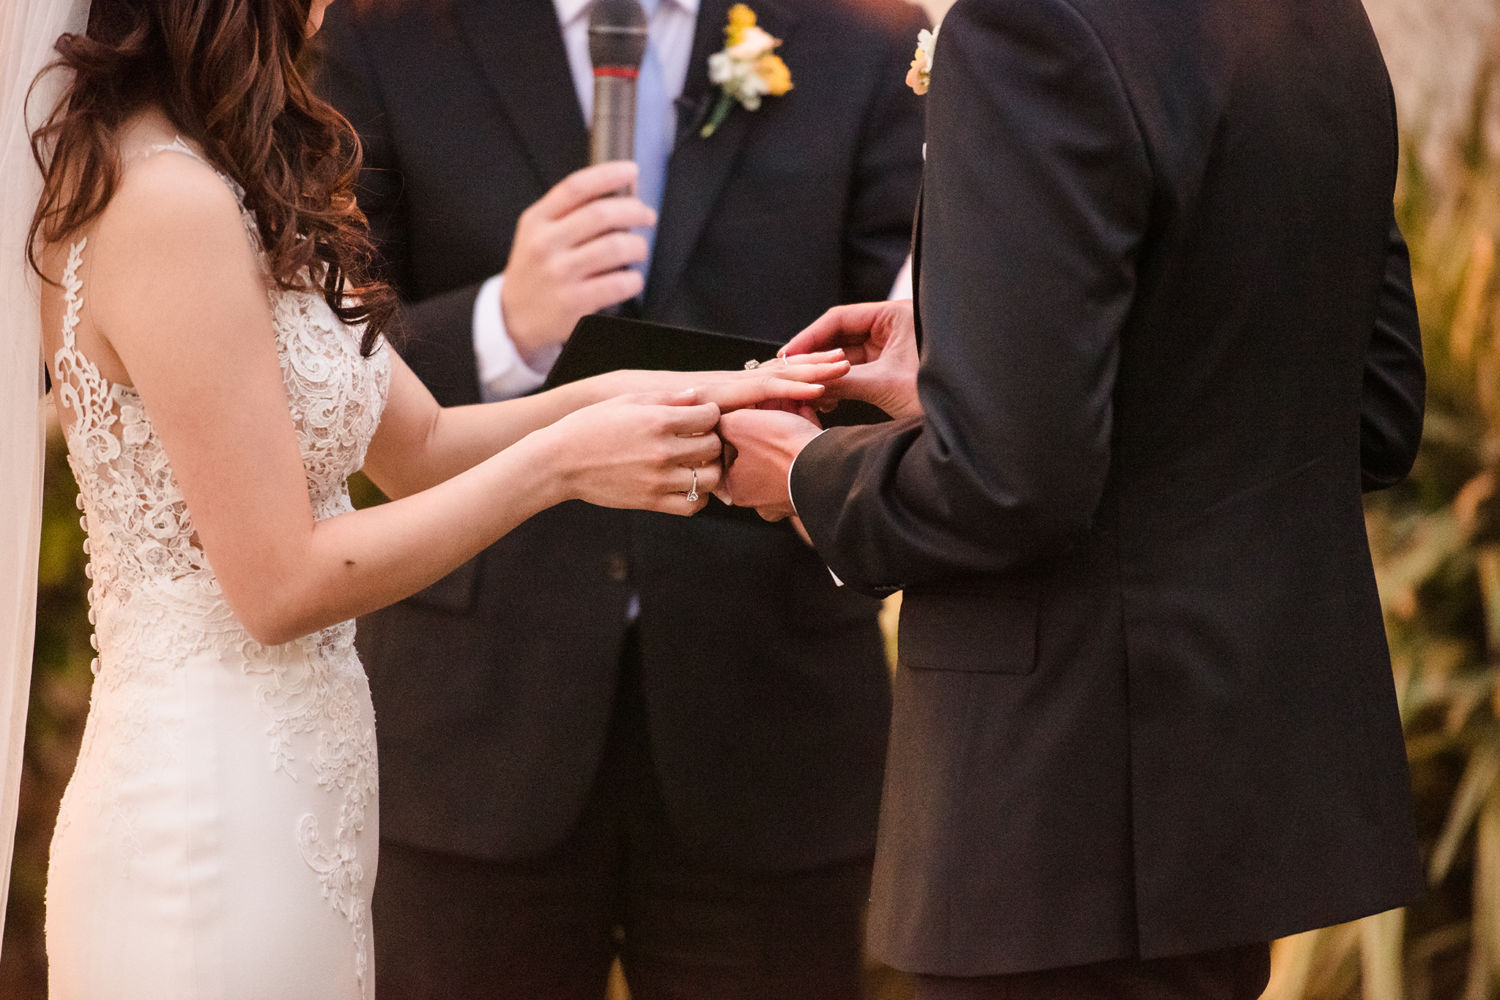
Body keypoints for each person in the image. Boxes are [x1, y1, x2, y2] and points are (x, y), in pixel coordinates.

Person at [6, 1, 845, 996]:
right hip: (210, 816)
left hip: (301, 802)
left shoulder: (237, 179)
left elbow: (425, 446)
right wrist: (564, 466)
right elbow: (279, 584)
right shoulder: (165, 201)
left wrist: (692, 393)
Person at [717, 0, 1429, 997]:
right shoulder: (1320, 20)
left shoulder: (1029, 26)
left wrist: (803, 471)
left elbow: (1007, 483)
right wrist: (977, 347)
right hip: (1224, 814)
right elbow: (1377, 409)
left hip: (1063, 822)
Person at [315, 1, 925, 997]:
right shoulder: (389, 31)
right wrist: (502, 324)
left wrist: (805, 452)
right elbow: (316, 358)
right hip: (470, 726)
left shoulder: (864, 39)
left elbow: (910, 368)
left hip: (772, 725)